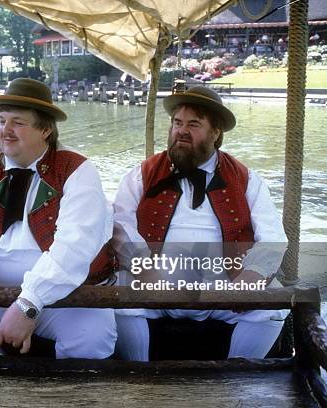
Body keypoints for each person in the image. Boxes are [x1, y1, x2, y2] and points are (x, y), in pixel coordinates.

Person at [0, 78, 117, 359]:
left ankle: (70, 399)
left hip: (64, 299)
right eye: (2, 120)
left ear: (45, 129)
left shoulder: (75, 169)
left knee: (92, 336)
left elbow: (76, 245)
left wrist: (29, 303)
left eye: (17, 122)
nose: (5, 130)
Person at [112, 86, 288, 361]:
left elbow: (273, 239)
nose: (181, 131)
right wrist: (147, 274)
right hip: (155, 286)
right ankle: (140, 379)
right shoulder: (142, 174)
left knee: (273, 307)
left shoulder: (247, 180)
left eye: (193, 124)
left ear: (216, 133)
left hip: (225, 290)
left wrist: (245, 285)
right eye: (177, 123)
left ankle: (234, 383)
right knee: (117, 297)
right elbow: (120, 226)